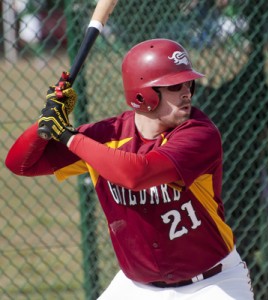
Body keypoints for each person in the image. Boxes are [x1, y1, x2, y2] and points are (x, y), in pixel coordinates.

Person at [5, 39, 254, 300]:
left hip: (212, 284)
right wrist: (48, 118)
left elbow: (138, 174)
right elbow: (21, 164)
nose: (187, 92)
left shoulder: (199, 133)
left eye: (188, 83)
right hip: (137, 287)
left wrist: (69, 137)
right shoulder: (107, 137)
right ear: (142, 94)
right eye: (174, 85)